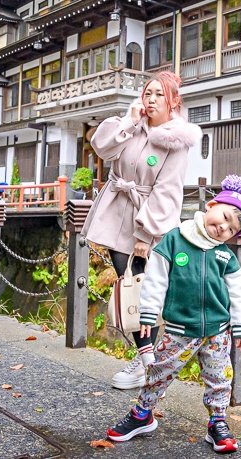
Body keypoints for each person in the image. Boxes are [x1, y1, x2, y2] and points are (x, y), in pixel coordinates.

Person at [106, 174, 241, 453]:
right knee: (159, 371)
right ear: (211, 206)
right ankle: (142, 414)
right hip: (178, 328)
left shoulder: (225, 257)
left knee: (220, 379)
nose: (222, 227)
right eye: (223, 217)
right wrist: (147, 315)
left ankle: (217, 422)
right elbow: (155, 280)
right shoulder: (175, 240)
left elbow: (238, 295)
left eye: (230, 229)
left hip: (217, 331)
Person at [80, 71, 201, 389]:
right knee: (129, 286)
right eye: (148, 92)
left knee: (145, 293)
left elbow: (168, 191)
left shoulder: (177, 141)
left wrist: (146, 237)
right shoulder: (132, 126)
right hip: (116, 213)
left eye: (160, 94)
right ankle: (148, 360)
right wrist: (128, 122)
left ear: (174, 101)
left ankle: (145, 362)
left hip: (149, 222)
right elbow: (101, 148)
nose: (151, 98)